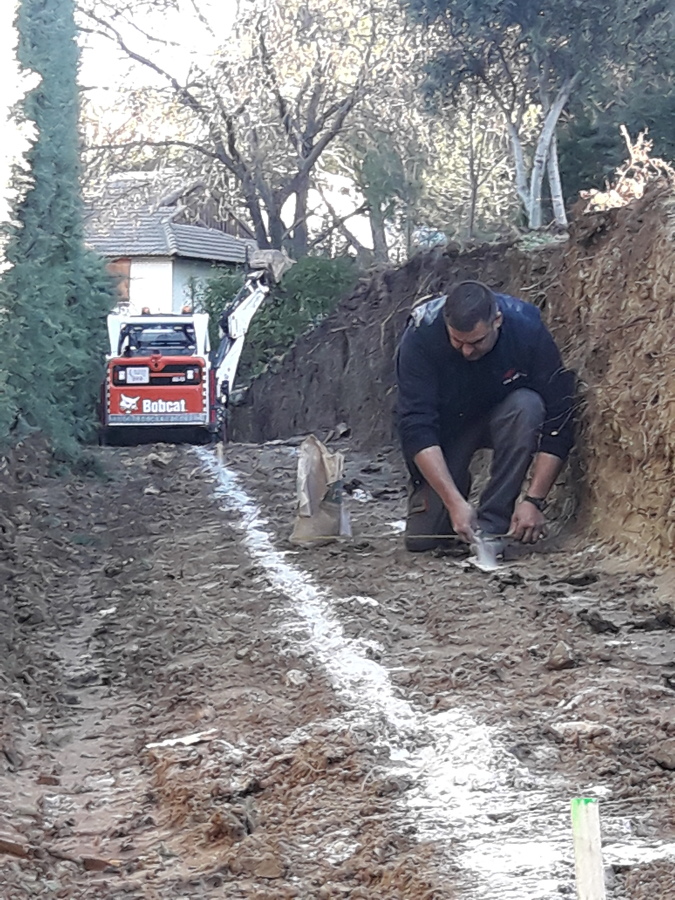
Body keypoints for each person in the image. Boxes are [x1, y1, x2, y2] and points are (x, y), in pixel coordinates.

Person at [396, 280, 575, 553]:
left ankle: (493, 523)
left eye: (477, 342)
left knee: (527, 405)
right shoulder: (420, 335)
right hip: (447, 429)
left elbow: (559, 418)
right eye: (458, 341)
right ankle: (455, 491)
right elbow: (416, 427)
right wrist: (454, 502)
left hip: (504, 417)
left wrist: (534, 500)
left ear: (497, 321)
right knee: (424, 540)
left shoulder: (527, 329)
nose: (467, 351)